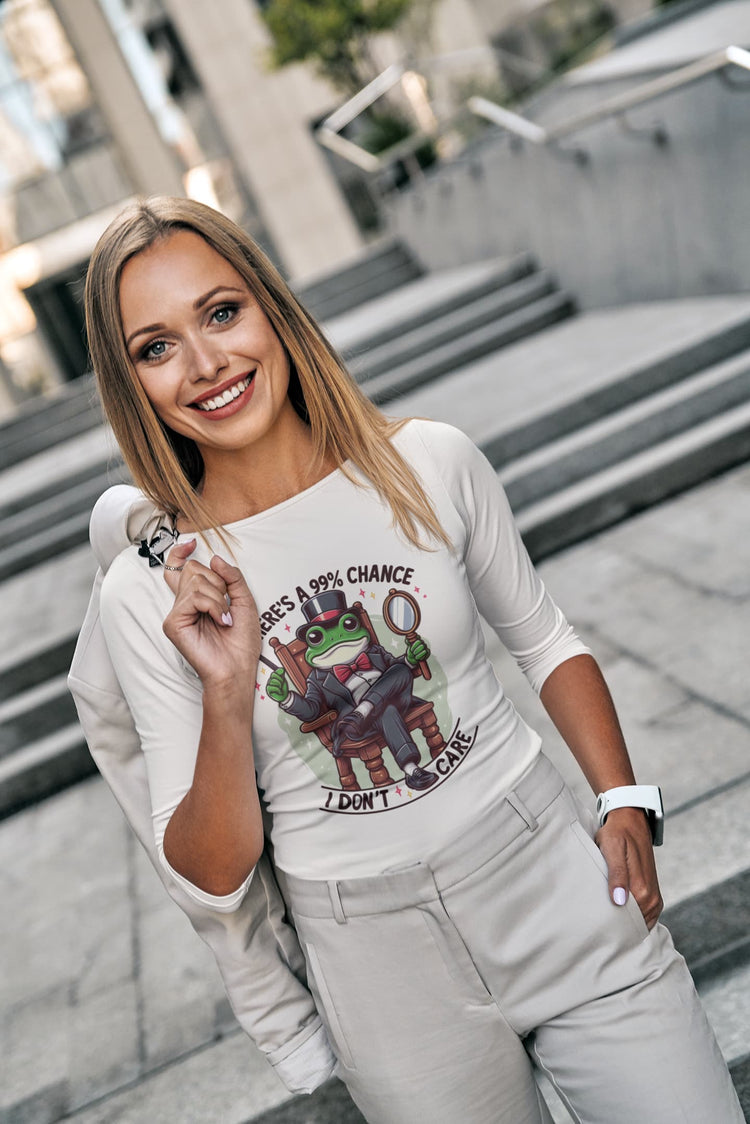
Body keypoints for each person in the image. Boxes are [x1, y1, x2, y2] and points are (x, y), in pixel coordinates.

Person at [73, 195, 743, 1124]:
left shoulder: (427, 463)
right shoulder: (151, 596)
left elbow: (545, 637)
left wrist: (622, 796)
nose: (206, 364)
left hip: (547, 870)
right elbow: (211, 872)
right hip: (376, 962)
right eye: (157, 346)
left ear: (271, 307)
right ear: (130, 382)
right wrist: (226, 690)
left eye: (221, 312)